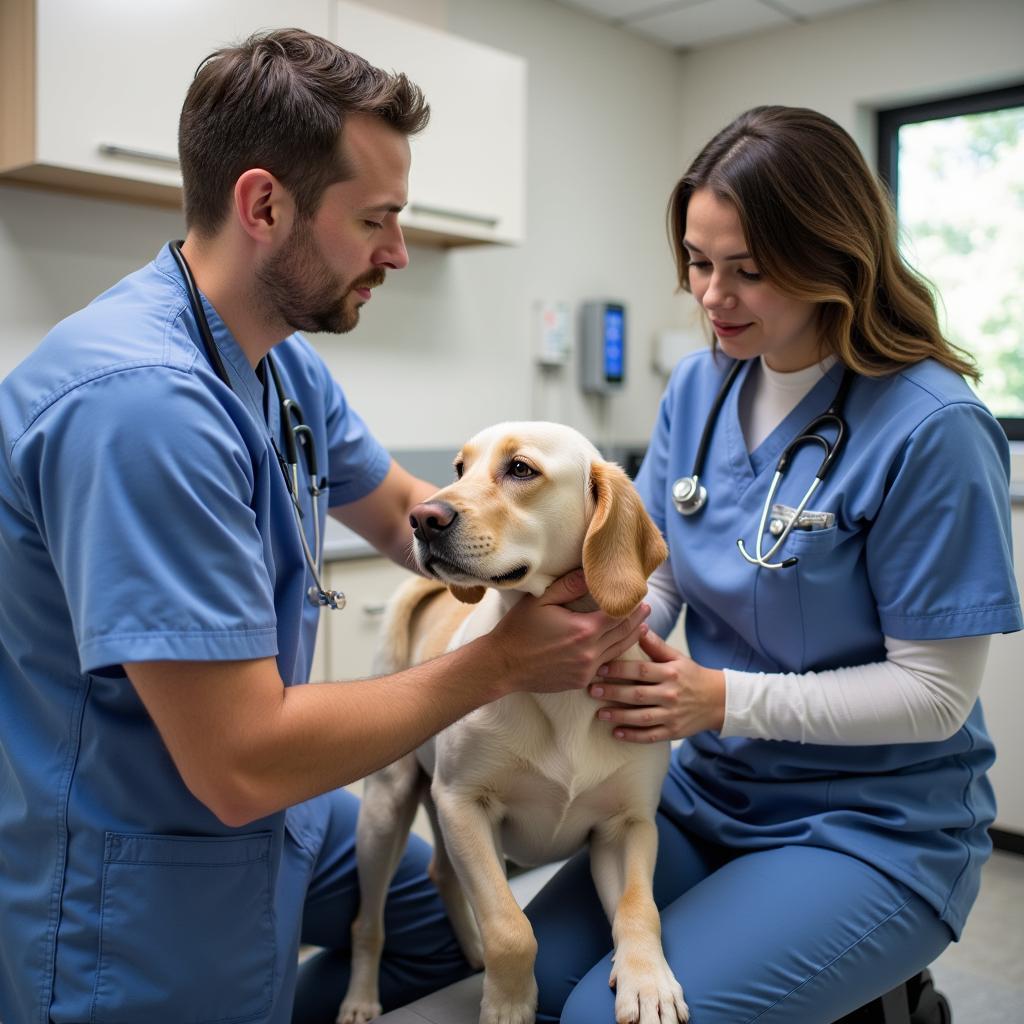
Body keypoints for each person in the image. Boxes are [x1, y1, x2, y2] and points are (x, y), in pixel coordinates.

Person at [0, 29, 650, 1024]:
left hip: (278, 810)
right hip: (133, 855)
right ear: (264, 205)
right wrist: (505, 662)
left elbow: (406, 517)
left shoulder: (275, 361)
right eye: (376, 220)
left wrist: (570, 569)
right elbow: (243, 761)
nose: (396, 250)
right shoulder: (143, 409)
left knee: (438, 929)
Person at [524, 105, 1023, 1023]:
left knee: (609, 1017)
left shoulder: (932, 427)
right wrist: (601, 629)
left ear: (835, 259)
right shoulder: (699, 386)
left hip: (871, 828)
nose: (713, 296)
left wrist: (718, 699)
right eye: (698, 262)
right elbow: (664, 568)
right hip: (707, 793)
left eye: (749, 271)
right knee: (541, 981)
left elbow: (934, 695)